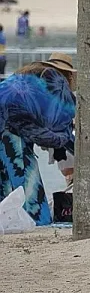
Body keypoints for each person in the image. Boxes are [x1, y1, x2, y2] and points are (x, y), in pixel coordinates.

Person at [0, 54, 77, 225]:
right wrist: (81, 153)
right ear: (69, 76)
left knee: (5, 183)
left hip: (6, 127)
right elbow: (53, 134)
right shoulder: (56, 84)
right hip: (10, 134)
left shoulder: (27, 75)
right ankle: (38, 220)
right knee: (27, 181)